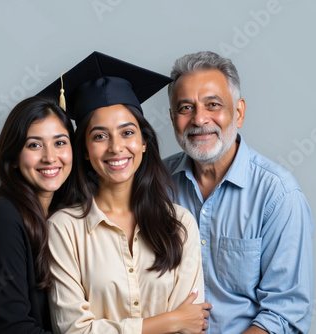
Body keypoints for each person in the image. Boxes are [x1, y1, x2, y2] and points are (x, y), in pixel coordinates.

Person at [38, 51, 212, 334]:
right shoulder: (64, 229)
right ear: (83, 149)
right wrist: (170, 321)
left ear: (144, 142)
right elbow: (74, 331)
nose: (116, 147)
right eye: (100, 136)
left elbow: (190, 327)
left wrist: (180, 322)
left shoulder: (179, 224)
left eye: (128, 132)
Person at [163, 51, 314, 334]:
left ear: (239, 112)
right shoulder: (156, 185)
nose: (199, 119)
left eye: (213, 104)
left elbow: (285, 313)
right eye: (186, 108)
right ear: (173, 119)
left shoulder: (278, 195)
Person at [0, 96, 76, 333]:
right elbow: (13, 328)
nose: (50, 157)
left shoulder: (63, 215)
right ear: (14, 158)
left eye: (60, 143)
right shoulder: (1, 218)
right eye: (34, 145)